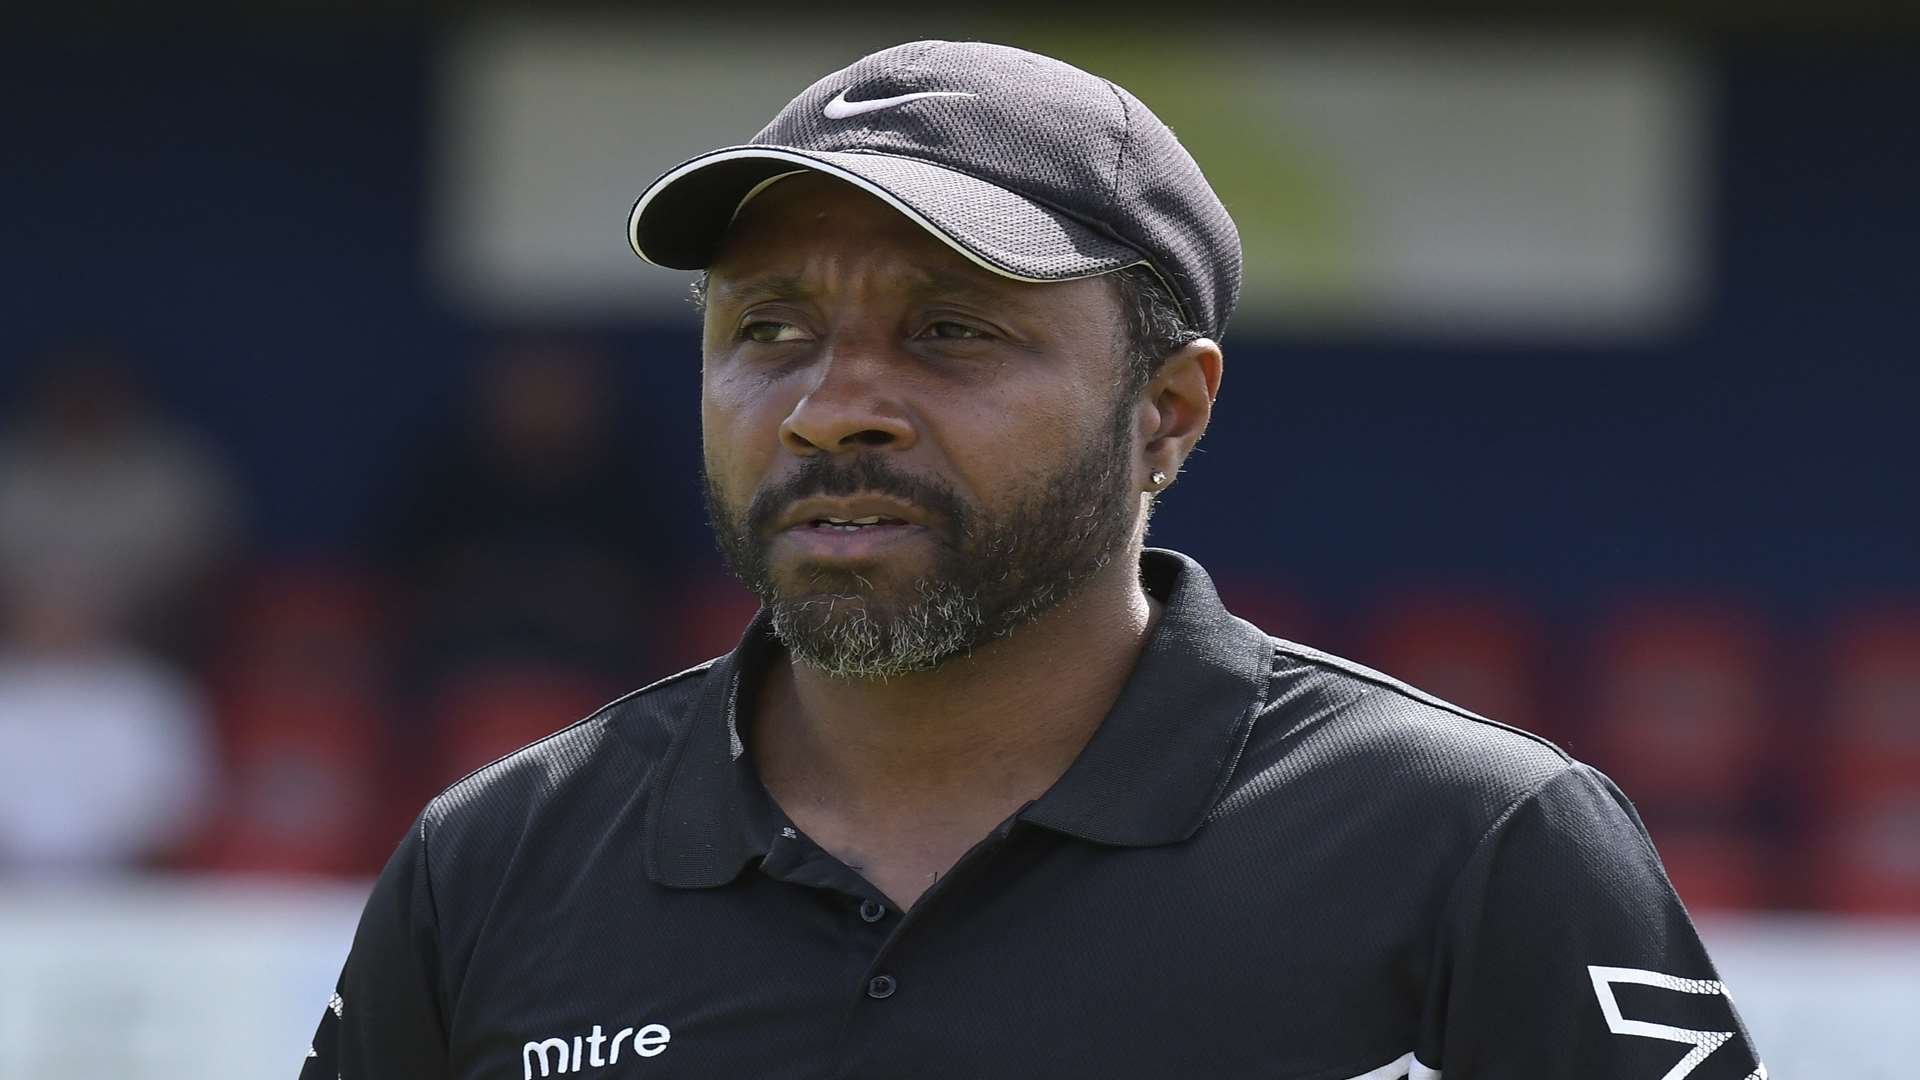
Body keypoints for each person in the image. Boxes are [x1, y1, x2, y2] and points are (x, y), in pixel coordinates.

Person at [303, 41, 1765, 1079]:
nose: (830, 406)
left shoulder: (1474, 844)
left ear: (1168, 412)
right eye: (767, 331)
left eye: (951, 331)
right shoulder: (491, 864)